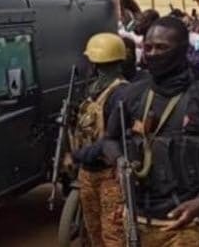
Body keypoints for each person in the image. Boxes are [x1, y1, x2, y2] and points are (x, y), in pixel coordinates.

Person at [102, 17, 199, 246]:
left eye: (161, 47)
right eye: (148, 47)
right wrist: (120, 161)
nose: (152, 54)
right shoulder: (132, 95)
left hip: (183, 226)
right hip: (134, 221)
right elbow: (109, 140)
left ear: (182, 50)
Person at [70, 33, 128, 247]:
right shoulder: (94, 90)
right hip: (89, 171)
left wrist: (76, 156)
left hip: (110, 174)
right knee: (94, 232)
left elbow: (110, 140)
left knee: (113, 235)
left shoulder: (120, 93)